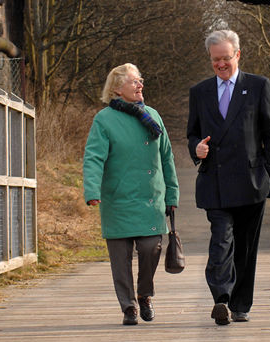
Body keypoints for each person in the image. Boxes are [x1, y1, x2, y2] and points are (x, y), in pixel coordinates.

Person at [187, 30, 270, 325]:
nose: (221, 64)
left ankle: (241, 304)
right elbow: (192, 133)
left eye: (226, 58)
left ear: (237, 55)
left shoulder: (258, 86)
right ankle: (221, 299)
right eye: (216, 60)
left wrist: (267, 176)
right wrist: (196, 148)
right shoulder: (199, 92)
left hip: (251, 182)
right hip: (215, 180)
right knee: (221, 239)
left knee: (245, 246)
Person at [83, 63, 179, 326]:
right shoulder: (104, 120)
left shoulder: (154, 116)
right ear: (116, 89)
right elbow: (93, 158)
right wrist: (91, 189)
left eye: (141, 80)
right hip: (117, 199)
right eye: (134, 81)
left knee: (152, 248)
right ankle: (128, 307)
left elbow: (167, 158)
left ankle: (145, 294)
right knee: (120, 260)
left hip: (150, 198)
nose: (140, 85)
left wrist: (172, 195)